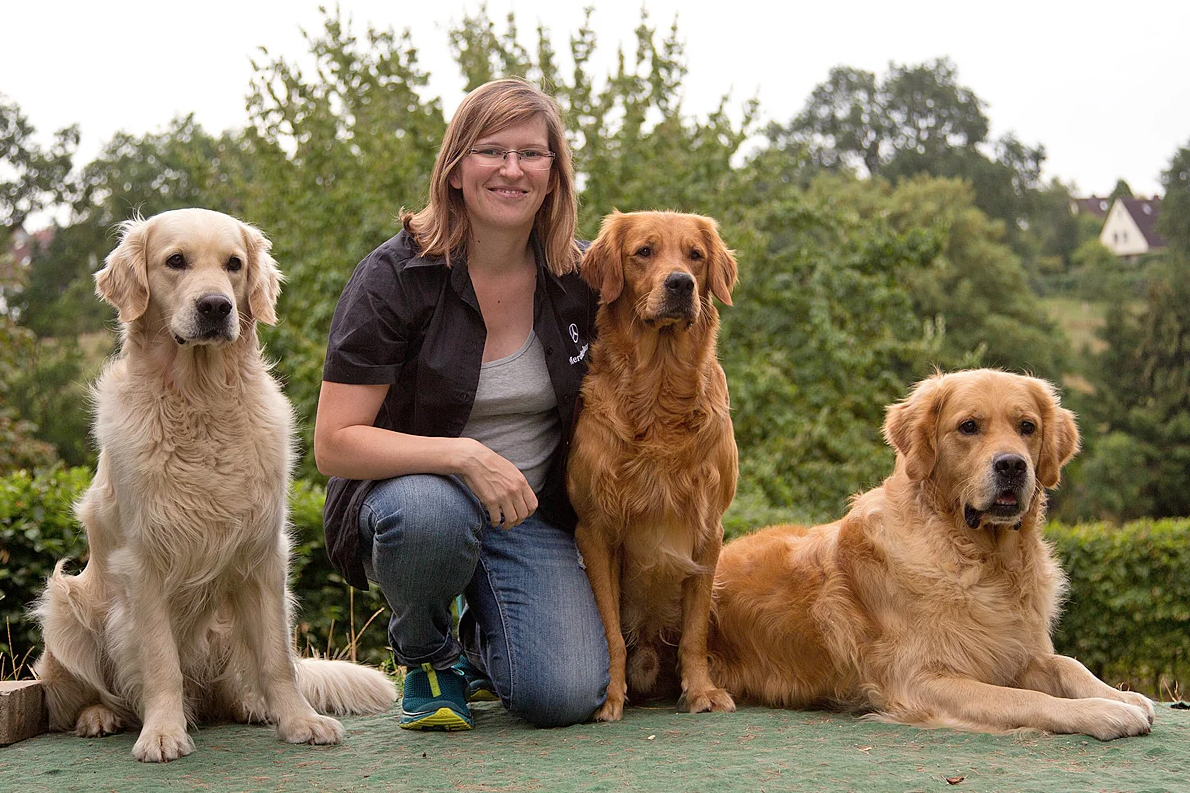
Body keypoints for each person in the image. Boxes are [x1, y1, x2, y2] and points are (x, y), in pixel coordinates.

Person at [314, 78, 608, 731]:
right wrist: (464, 456)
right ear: (454, 170)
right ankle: (426, 651)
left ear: (555, 175)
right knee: (430, 511)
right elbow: (334, 441)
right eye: (489, 151)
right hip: (414, 504)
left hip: (530, 515)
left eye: (532, 154)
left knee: (562, 696)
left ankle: (485, 643)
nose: (511, 169)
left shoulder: (582, 279)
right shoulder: (394, 277)